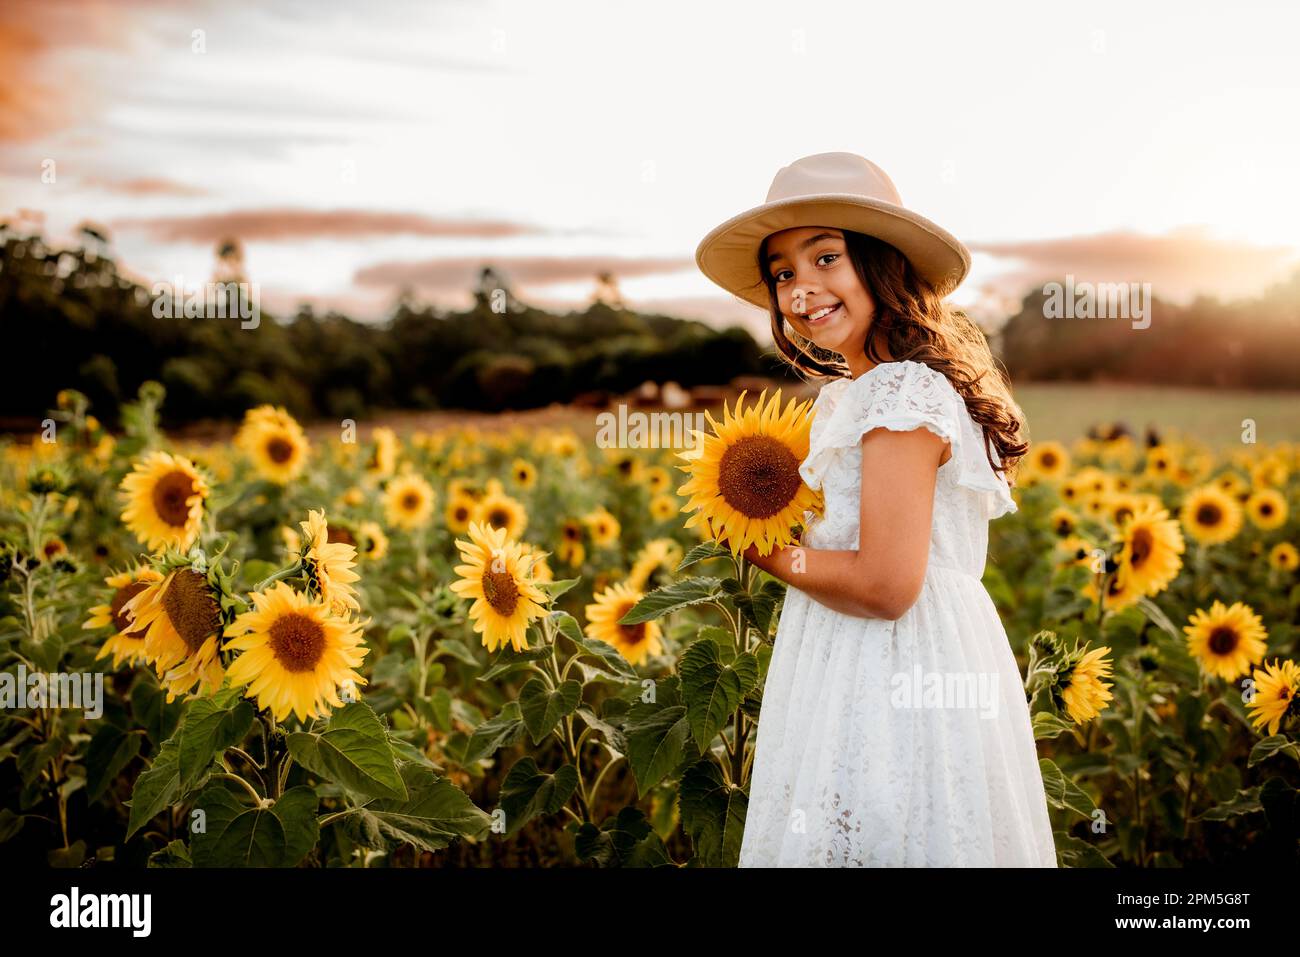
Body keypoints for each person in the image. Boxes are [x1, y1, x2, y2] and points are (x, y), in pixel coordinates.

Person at [695, 152, 1057, 867]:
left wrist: (761, 547)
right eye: (783, 274)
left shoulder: (900, 394)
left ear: (882, 262)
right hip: (881, 653)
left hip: (895, 662)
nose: (802, 288)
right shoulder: (858, 393)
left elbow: (887, 585)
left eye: (825, 256)